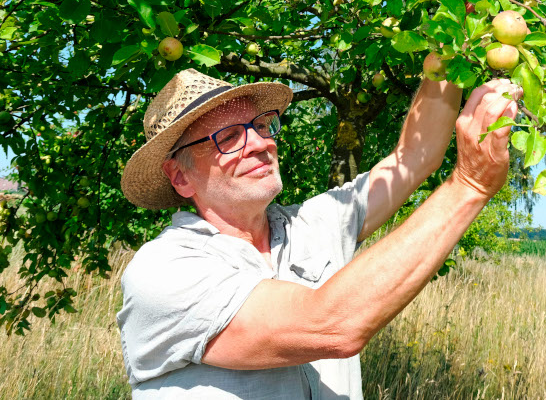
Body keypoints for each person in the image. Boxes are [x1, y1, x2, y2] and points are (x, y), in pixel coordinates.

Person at [116, 68, 520, 399]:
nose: (259, 143)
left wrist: (447, 52)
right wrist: (470, 186)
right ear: (180, 176)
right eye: (228, 137)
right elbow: (332, 325)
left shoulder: (312, 224)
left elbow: (413, 157)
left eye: (261, 125)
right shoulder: (162, 271)